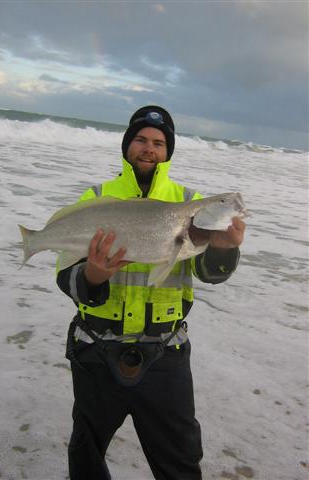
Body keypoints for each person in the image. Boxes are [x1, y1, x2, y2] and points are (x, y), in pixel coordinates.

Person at [56, 106, 245, 480]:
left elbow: (210, 274)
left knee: (180, 462)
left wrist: (224, 249)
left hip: (166, 353)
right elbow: (66, 274)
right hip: (95, 347)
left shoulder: (189, 202)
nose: (149, 148)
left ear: (168, 151)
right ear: (127, 145)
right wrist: (92, 276)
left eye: (159, 143)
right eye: (141, 139)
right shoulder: (97, 196)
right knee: (86, 455)